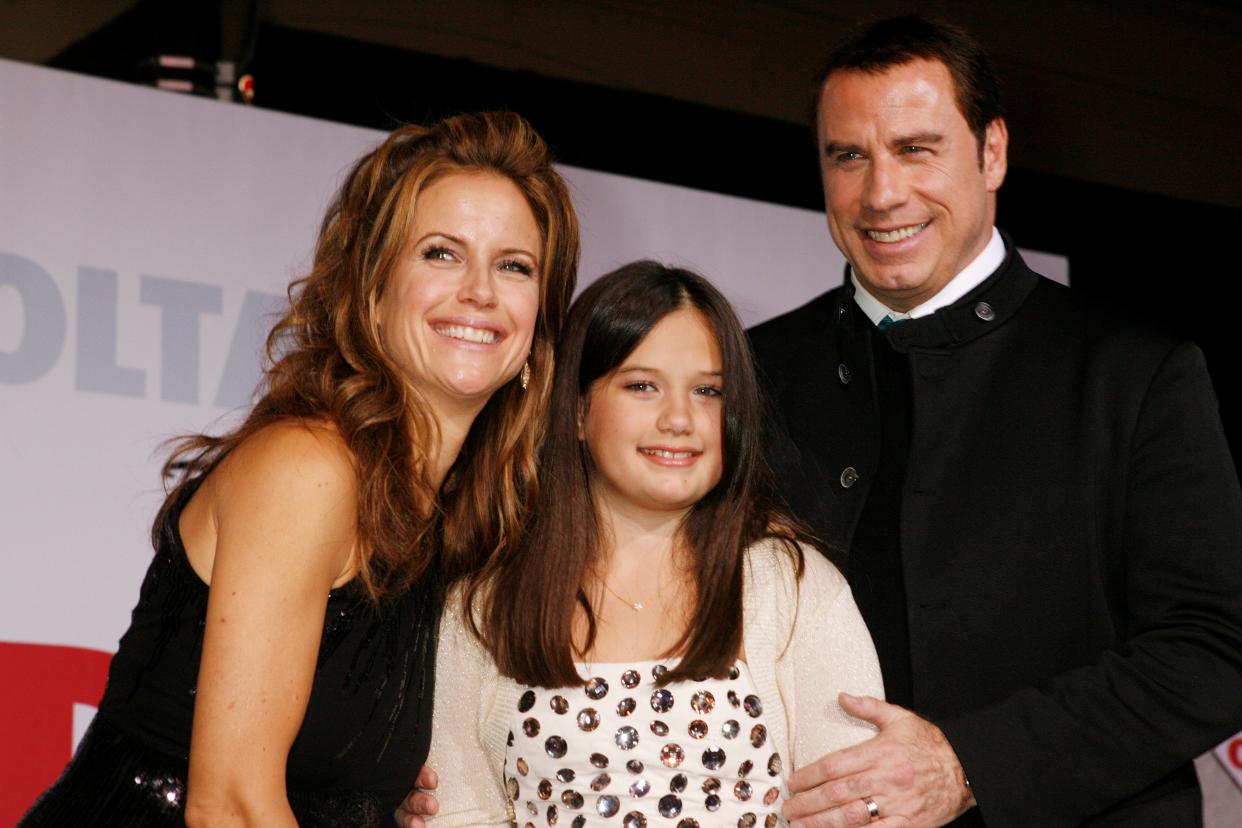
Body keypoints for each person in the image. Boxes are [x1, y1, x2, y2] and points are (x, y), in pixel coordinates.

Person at [746, 14, 1242, 828]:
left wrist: (968, 765)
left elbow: (1217, 649)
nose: (881, 194)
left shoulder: (1132, 372)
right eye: (848, 156)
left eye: (916, 149)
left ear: (993, 152)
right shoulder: (749, 371)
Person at [19, 110, 579, 827]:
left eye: (514, 265)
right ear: (373, 292)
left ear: (539, 329)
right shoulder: (310, 468)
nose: (480, 290)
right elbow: (232, 805)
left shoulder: (450, 521)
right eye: (441, 253)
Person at [412, 261, 883, 825]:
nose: (680, 418)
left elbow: (854, 807)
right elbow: (454, 812)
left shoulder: (796, 589)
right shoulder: (482, 607)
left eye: (708, 391)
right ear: (579, 410)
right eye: (642, 386)